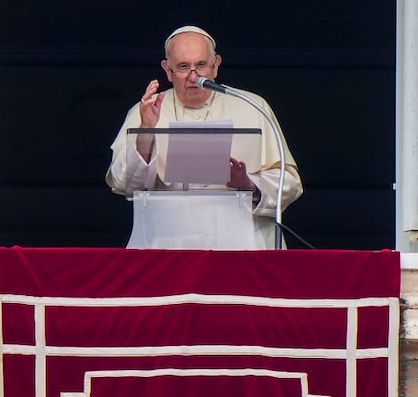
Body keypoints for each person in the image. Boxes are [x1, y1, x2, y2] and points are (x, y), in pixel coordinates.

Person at [106, 25, 302, 248]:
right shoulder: (146, 110)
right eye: (183, 67)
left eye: (201, 65)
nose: (194, 76)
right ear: (167, 71)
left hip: (239, 245)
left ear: (216, 65)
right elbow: (127, 185)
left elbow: (290, 184)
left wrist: (248, 183)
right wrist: (146, 131)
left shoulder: (253, 106)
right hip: (167, 244)